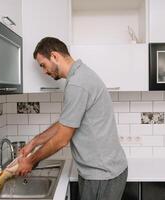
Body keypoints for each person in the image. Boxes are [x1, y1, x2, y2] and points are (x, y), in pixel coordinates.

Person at [16, 37, 128, 200]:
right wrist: (35, 142)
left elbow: (62, 139)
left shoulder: (77, 83)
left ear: (54, 56)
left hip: (102, 175)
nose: (44, 71)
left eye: (43, 65)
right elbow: (66, 123)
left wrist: (31, 161)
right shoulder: (80, 75)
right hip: (103, 171)